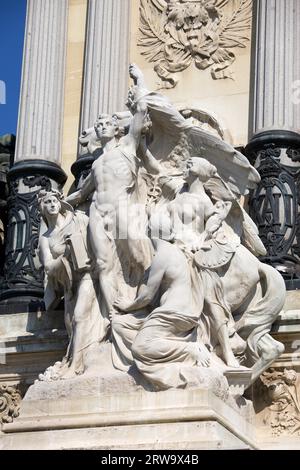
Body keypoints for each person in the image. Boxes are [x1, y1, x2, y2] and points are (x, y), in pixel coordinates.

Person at [66, 64, 161, 325]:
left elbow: (141, 111)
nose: (103, 126)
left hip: (123, 208)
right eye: (99, 124)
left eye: (108, 122)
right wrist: (63, 202)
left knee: (141, 256)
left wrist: (140, 80)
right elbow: (82, 193)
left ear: (117, 129)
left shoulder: (128, 147)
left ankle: (150, 305)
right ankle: (112, 317)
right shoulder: (96, 164)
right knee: (103, 264)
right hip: (98, 211)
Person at [114, 213, 211, 390]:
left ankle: (190, 349)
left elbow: (147, 296)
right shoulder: (174, 251)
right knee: (120, 324)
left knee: (140, 347)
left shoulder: (163, 254)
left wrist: (127, 305)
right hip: (177, 311)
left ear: (150, 232)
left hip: (172, 314)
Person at [38, 189, 106, 379]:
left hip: (87, 276)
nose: (52, 204)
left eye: (54, 201)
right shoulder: (45, 238)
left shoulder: (78, 220)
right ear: (42, 208)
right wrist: (66, 255)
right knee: (71, 326)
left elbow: (97, 240)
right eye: (47, 202)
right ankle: (75, 359)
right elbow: (49, 267)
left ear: (60, 204)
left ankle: (75, 366)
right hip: (68, 285)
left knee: (79, 317)